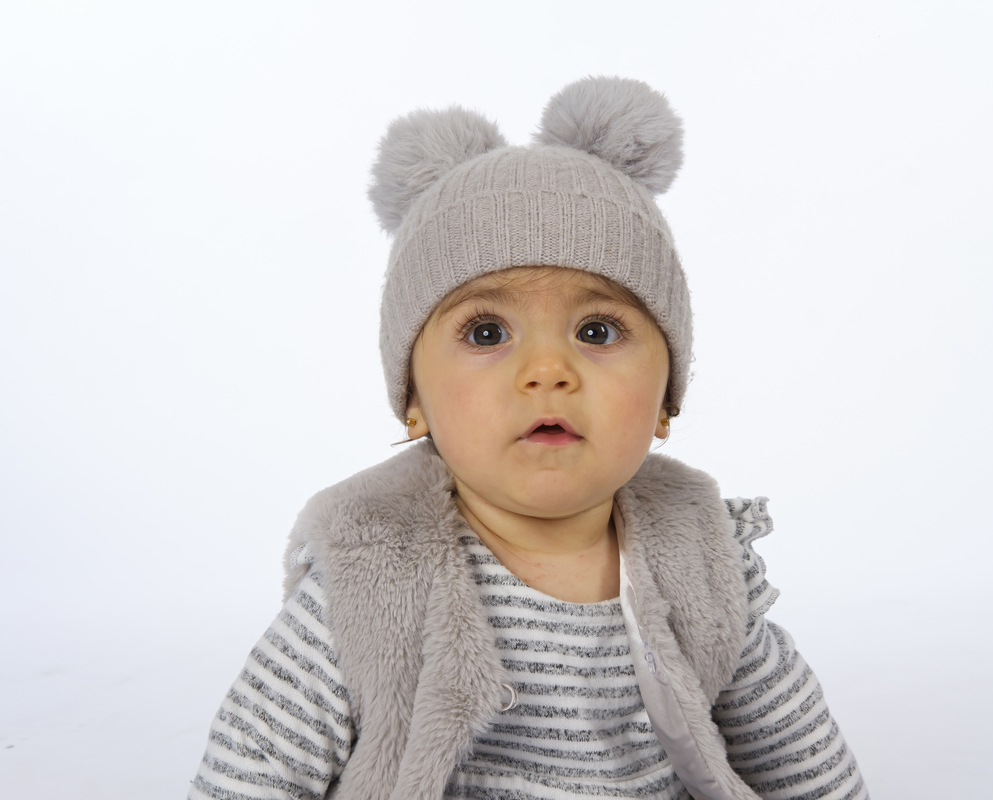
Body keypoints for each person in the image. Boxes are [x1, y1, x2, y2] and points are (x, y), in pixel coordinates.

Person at [189, 76, 869, 800]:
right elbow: (252, 767)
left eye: (597, 332)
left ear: (665, 402)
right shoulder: (373, 572)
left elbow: (798, 753)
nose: (548, 370)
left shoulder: (698, 557)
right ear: (413, 402)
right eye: (487, 333)